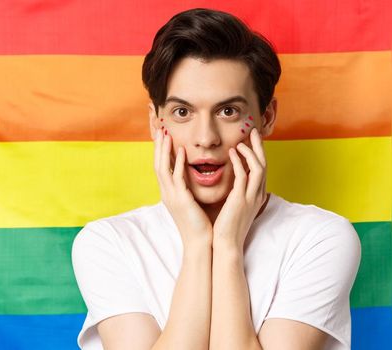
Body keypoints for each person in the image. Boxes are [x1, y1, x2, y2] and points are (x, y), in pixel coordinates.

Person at [71, 8, 361, 350]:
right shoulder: (109, 243)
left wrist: (226, 246)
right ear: (155, 122)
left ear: (266, 117)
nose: (205, 138)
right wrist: (197, 245)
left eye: (228, 112)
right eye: (182, 113)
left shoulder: (319, 238)